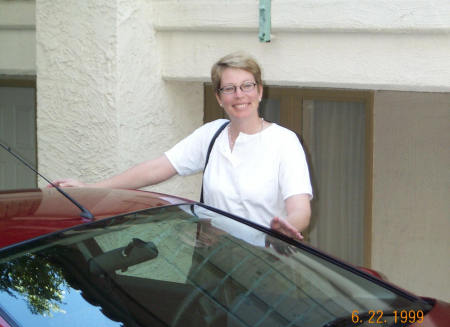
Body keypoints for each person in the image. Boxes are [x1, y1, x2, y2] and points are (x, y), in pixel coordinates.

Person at [52, 52, 312, 244]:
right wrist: (92, 189)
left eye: (247, 86)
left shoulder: (284, 142)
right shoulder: (212, 134)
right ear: (219, 98)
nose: (239, 95)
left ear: (260, 92)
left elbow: (300, 208)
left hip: (264, 268)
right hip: (215, 264)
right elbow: (158, 168)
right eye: (229, 88)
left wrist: (285, 227)